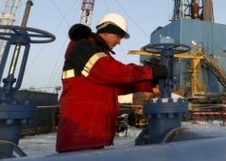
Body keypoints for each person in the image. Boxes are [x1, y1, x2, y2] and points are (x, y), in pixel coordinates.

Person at [55, 12, 168, 153]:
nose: (119, 41)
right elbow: (112, 71)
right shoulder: (83, 47)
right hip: (80, 133)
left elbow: (117, 85)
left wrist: (149, 82)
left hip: (90, 134)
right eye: (118, 36)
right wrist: (150, 72)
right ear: (107, 32)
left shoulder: (99, 54)